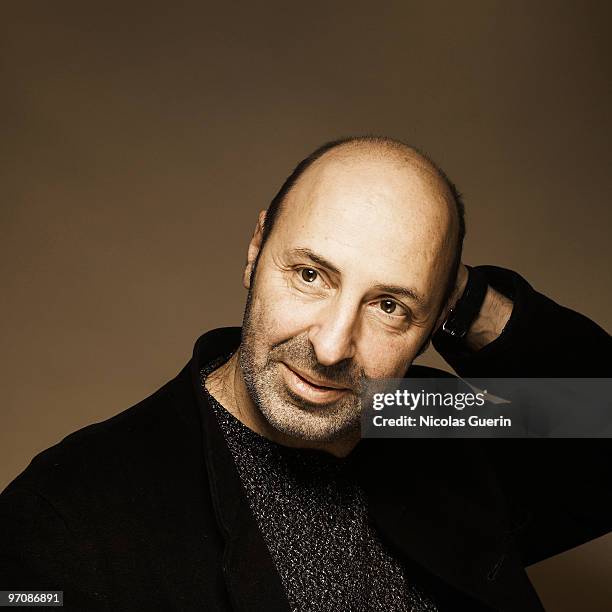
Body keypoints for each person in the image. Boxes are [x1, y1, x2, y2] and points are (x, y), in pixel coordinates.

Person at [1, 136, 610, 611]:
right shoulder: (69, 509)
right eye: (311, 275)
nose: (331, 345)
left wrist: (472, 300)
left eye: (389, 305)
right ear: (255, 251)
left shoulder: (427, 417)